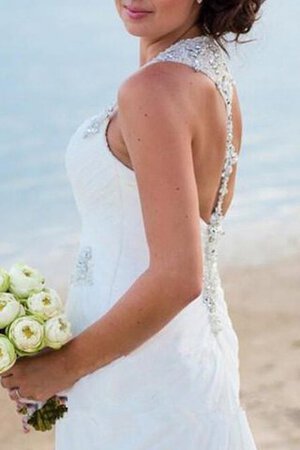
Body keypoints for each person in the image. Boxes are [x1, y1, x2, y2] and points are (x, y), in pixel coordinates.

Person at [1, 0, 265, 448]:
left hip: (131, 370)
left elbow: (179, 274)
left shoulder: (154, 89)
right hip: (179, 350)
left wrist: (62, 368)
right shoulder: (210, 73)